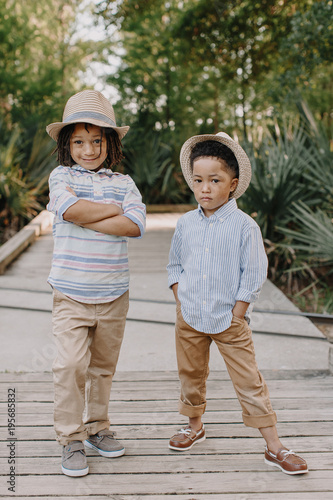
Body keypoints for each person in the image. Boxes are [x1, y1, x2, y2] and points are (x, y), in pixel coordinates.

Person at [166, 132, 308, 475]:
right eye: (198, 180)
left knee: (249, 379)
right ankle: (194, 426)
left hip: (230, 318)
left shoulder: (245, 227)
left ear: (233, 184)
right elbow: (174, 265)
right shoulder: (185, 224)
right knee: (190, 373)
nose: (205, 188)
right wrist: (180, 298)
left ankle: (274, 446)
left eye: (214, 180)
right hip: (189, 316)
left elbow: (254, 273)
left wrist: (238, 313)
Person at [46, 90, 146, 477]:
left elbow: (135, 225)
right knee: (70, 364)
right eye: (78, 141)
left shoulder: (124, 182)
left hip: (113, 293)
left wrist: (85, 216)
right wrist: (108, 212)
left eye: (97, 140)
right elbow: (68, 208)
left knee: (102, 367)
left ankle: (97, 428)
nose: (88, 150)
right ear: (66, 144)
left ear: (111, 142)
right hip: (70, 292)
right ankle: (69, 437)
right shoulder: (61, 176)